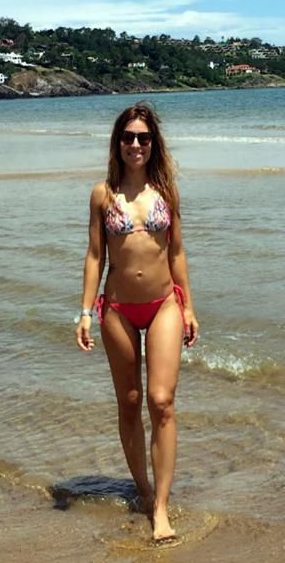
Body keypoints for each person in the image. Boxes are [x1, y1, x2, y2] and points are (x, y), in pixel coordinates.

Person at [76, 102, 199, 541]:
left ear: (153, 143)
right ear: (118, 143)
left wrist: (188, 307)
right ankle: (144, 490)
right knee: (129, 402)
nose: (135, 144)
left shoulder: (166, 192)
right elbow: (95, 256)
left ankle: (161, 508)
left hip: (164, 304)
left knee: (161, 401)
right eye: (128, 137)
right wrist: (85, 312)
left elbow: (177, 251)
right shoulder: (102, 195)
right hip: (117, 310)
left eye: (143, 138)